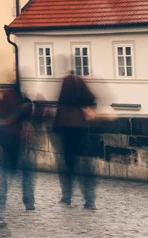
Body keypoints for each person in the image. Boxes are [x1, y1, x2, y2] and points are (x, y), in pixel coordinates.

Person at [54, 62, 98, 210]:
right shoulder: (79, 82)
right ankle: (89, 199)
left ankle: (67, 197)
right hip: (80, 127)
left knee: (67, 165)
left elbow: (60, 105)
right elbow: (91, 97)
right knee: (85, 166)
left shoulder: (65, 83)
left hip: (65, 128)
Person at [0, 87, 35, 229]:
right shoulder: (16, 104)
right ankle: (28, 201)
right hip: (12, 141)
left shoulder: (8, 102)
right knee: (19, 174)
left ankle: (26, 201)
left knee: (7, 177)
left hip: (10, 141)